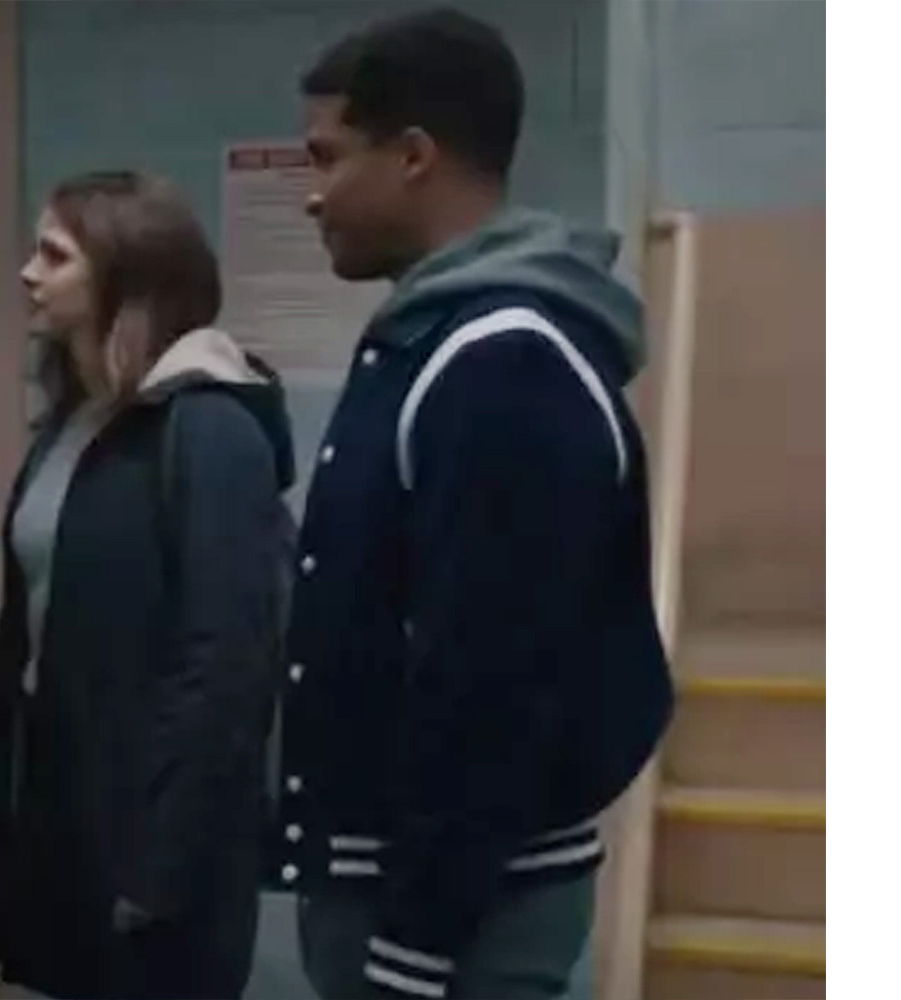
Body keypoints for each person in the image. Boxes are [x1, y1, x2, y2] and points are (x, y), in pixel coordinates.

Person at [273, 9, 674, 1000]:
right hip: (404, 891)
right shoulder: (434, 339)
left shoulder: (502, 364)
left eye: (328, 156)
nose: (313, 194)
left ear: (413, 155)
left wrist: (413, 952)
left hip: (456, 921)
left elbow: (491, 687)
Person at [0, 170, 296, 1000]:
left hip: (153, 837)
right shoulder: (72, 426)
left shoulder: (209, 427)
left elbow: (224, 668)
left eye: (55, 255)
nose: (28, 273)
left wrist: (163, 864)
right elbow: (28, 636)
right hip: (59, 812)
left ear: (128, 273)